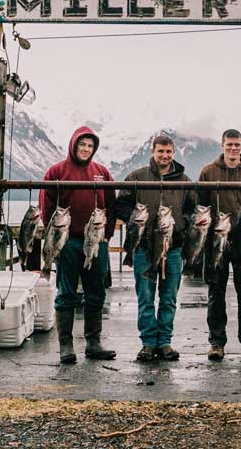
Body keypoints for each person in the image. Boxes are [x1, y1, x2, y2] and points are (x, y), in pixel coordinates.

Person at [41, 126, 117, 364]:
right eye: (82, 144)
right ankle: (66, 345)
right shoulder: (56, 171)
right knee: (66, 293)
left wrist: (109, 232)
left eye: (90, 145)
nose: (86, 149)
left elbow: (112, 203)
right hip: (68, 240)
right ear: (73, 144)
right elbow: (46, 205)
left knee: (96, 291)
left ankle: (93, 343)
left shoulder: (101, 172)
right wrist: (54, 237)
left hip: (97, 240)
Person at [116, 133, 194, 363]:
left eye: (169, 151)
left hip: (173, 248)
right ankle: (148, 343)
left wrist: (181, 226)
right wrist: (136, 220)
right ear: (153, 151)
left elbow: (193, 208)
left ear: (173, 153)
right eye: (161, 151)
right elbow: (120, 204)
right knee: (146, 297)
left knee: (169, 297)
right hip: (143, 247)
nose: (165, 155)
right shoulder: (137, 176)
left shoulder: (184, 180)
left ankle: (165, 342)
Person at [198, 129, 241, 361]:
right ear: (222, 145)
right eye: (229, 144)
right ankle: (217, 342)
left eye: (237, 144)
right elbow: (200, 207)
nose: (233, 148)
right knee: (216, 292)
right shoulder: (208, 172)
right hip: (218, 240)